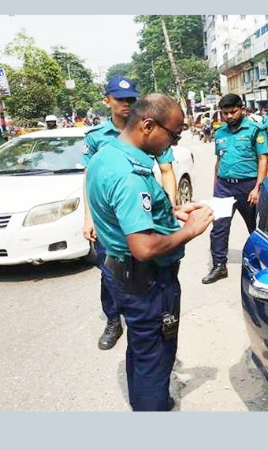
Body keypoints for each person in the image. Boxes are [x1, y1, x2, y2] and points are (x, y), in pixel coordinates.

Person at [86, 93, 214, 411]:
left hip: (123, 274)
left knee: (142, 347)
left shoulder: (108, 154)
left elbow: (129, 214)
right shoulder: (131, 176)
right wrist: (190, 230)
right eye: (174, 133)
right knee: (156, 350)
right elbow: (143, 247)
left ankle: (148, 400)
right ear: (147, 125)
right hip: (146, 280)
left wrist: (172, 213)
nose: (174, 142)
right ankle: (151, 408)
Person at [82, 75, 178, 351]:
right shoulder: (97, 137)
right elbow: (90, 178)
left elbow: (167, 169)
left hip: (139, 212)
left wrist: (170, 206)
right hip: (110, 218)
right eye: (120, 99)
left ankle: (144, 323)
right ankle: (113, 320)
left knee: (141, 271)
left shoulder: (151, 131)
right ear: (107, 101)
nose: (126, 104)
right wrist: (89, 217)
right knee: (111, 268)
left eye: (130, 99)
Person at [202, 94, 268, 284]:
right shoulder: (220, 133)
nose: (230, 116)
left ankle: (262, 266)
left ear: (242, 109)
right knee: (219, 228)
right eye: (225, 113)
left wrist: (258, 188)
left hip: (248, 186)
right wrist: (215, 185)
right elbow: (219, 160)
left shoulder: (255, 130)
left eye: (234, 111)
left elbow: (263, 159)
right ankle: (219, 266)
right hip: (224, 187)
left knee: (255, 228)